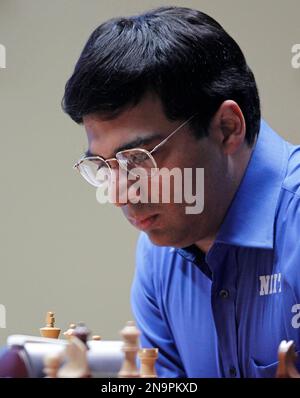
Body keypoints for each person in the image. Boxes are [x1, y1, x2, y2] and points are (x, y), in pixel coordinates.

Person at [62, 6, 300, 377]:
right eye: (105, 166)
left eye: (137, 158)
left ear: (226, 128)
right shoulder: (161, 257)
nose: (120, 195)